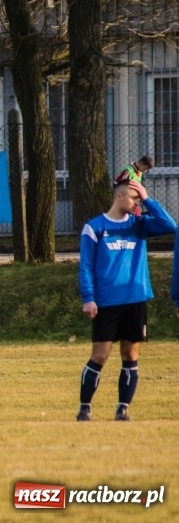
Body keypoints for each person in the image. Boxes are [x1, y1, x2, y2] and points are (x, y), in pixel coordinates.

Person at [77, 180, 176, 422]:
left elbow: (170, 225)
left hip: (135, 299)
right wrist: (88, 298)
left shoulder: (139, 224)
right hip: (107, 302)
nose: (137, 204)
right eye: (134, 199)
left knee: (130, 355)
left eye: (139, 200)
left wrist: (147, 198)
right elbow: (86, 266)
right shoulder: (95, 228)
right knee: (100, 355)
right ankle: (84, 408)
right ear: (119, 197)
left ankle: (122, 410)